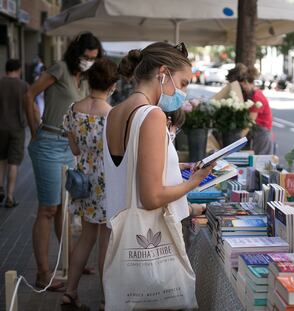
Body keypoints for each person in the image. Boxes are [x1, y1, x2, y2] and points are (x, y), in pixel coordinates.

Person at [103, 43, 213, 305]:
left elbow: (130, 167)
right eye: (183, 83)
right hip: (149, 242)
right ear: (163, 72)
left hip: (122, 238)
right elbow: (151, 197)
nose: (184, 93)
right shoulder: (152, 115)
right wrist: (193, 183)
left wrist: (176, 168)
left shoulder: (115, 112)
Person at [24, 32, 103, 291]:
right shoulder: (60, 69)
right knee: (48, 209)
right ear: (76, 53)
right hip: (48, 143)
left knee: (63, 208)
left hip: (69, 146)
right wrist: (35, 128)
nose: (89, 62)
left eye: (93, 58)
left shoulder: (86, 79)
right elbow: (29, 94)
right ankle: (43, 273)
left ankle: (71, 262)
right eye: (85, 57)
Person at [60, 58, 117, 311]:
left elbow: (73, 147)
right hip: (106, 183)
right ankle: (106, 300)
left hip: (83, 181)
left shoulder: (74, 109)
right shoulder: (113, 115)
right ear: (113, 85)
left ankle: (69, 292)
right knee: (106, 241)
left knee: (86, 237)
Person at [227, 63, 274, 155]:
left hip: (263, 136)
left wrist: (237, 141)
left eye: (243, 85)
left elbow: (249, 122)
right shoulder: (252, 95)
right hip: (258, 134)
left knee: (261, 164)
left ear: (247, 82)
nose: (243, 88)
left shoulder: (257, 97)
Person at [0, 59, 29, 207]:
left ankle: (0, 188)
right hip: (17, 128)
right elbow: (30, 107)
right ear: (19, 69)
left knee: (1, 159)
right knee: (13, 162)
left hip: (0, 127)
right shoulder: (23, 86)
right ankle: (10, 196)